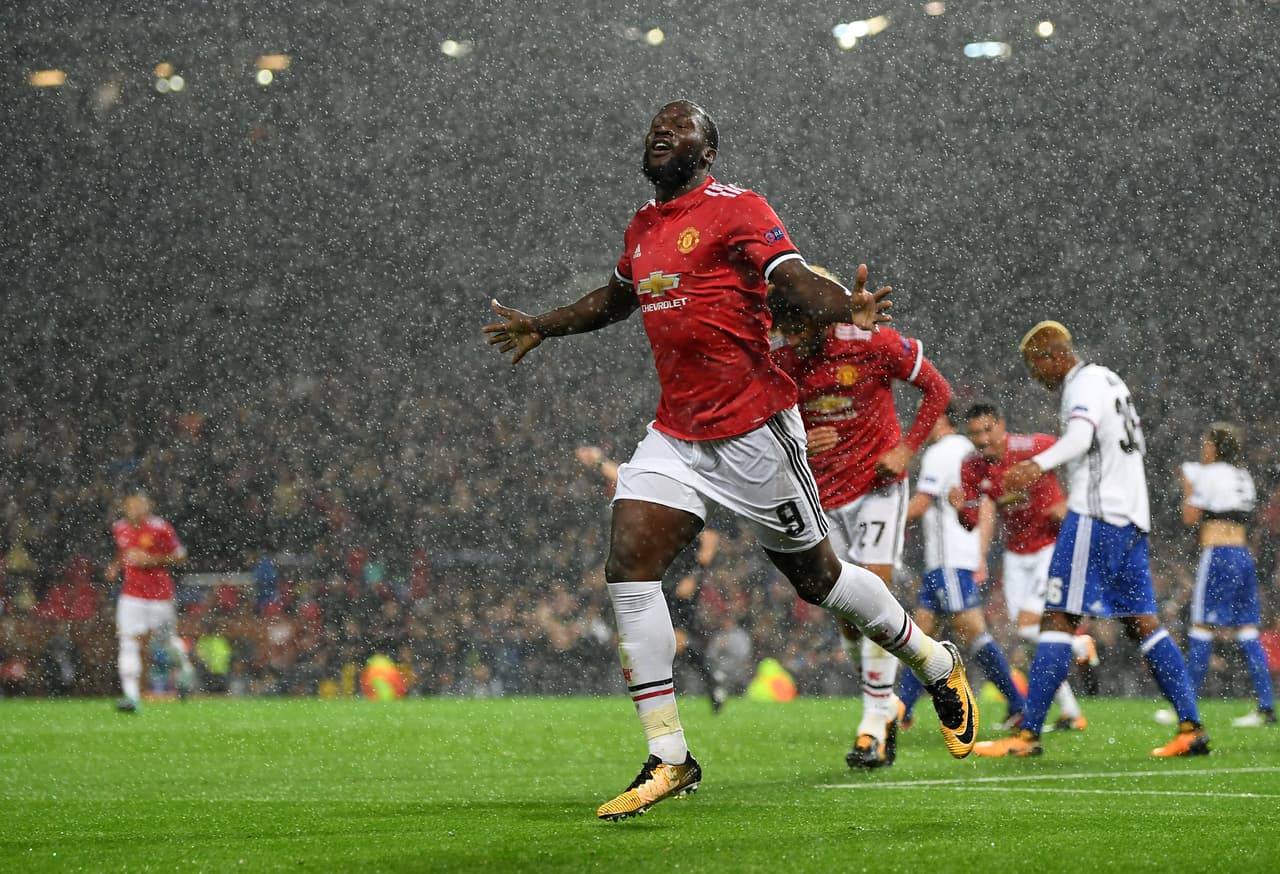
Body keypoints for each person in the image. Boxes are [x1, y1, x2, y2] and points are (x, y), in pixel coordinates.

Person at [484, 100, 977, 820]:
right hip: (678, 434)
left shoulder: (738, 207)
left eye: (680, 126)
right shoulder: (643, 226)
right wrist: (543, 325)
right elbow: (616, 300)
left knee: (821, 581)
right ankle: (670, 756)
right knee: (628, 564)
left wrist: (845, 306)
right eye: (656, 123)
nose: (662, 130)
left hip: (754, 430)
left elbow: (795, 281)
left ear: (706, 151)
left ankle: (934, 661)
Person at [973, 321, 1208, 758]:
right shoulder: (1110, 380)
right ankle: (1191, 726)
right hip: (1132, 517)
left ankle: (1028, 736)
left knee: (1058, 618)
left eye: (1034, 365)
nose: (1035, 376)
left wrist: (1036, 465)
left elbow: (1080, 438)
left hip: (1097, 514)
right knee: (1143, 623)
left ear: (1052, 354)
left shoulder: (1081, 383)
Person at [768, 274, 952, 768]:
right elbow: (760, 426)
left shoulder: (874, 343)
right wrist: (801, 439)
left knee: (875, 590)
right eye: (781, 328)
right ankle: (884, 703)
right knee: (849, 615)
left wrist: (907, 449)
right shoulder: (780, 360)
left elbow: (937, 389)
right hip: (822, 493)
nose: (787, 337)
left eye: (793, 326)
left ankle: (872, 725)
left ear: (816, 315)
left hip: (878, 485)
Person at [956, 398, 1095, 732]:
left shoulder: (1032, 446)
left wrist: (1072, 504)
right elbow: (971, 521)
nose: (983, 438)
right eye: (975, 433)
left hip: (1049, 547)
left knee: (1034, 629)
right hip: (1016, 556)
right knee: (1032, 639)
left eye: (988, 429)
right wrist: (960, 508)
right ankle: (1071, 712)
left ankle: (1079, 644)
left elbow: (1073, 451)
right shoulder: (972, 467)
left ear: (1002, 426)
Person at [896, 408, 1028, 732]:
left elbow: (921, 504)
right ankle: (903, 710)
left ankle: (1019, 704)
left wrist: (886, 521)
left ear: (940, 420)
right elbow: (987, 507)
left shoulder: (941, 453)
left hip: (948, 561)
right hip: (951, 560)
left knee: (971, 631)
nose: (921, 426)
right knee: (920, 636)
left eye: (926, 419)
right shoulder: (968, 454)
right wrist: (980, 552)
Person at [576, 444, 729, 713]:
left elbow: (709, 541)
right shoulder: (658, 489)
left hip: (681, 578)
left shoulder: (699, 494)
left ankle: (709, 682)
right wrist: (599, 462)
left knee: (676, 639)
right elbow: (624, 476)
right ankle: (689, 687)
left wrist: (694, 576)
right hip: (656, 573)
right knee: (659, 638)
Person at [1179, 422, 1275, 727]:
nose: (1202, 448)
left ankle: (1186, 705)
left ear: (1215, 447)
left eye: (1206, 443)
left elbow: (1190, 517)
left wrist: (1188, 486)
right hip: (1243, 554)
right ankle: (1266, 707)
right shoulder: (1243, 475)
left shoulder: (1209, 474)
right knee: (1247, 630)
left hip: (1219, 554)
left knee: (1201, 627)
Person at [105, 492, 195, 712]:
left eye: (138, 505)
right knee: (127, 642)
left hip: (160, 597)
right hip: (131, 596)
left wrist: (152, 560)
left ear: (148, 507)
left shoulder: (161, 528)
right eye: (130, 505)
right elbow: (123, 550)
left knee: (165, 642)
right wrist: (115, 566)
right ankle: (131, 697)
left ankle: (184, 669)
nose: (134, 509)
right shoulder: (120, 528)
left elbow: (181, 555)